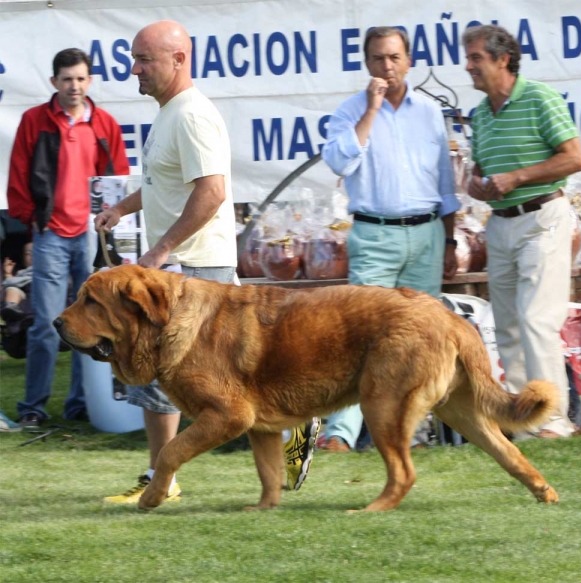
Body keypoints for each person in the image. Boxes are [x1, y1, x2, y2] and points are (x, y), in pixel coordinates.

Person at [96, 21, 318, 504]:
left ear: (178, 60)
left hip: (194, 271)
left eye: (144, 60)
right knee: (237, 378)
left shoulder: (191, 115)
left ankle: (162, 479)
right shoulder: (169, 113)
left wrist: (161, 250)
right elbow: (164, 184)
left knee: (164, 375)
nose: (135, 69)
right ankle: (301, 416)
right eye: (134, 59)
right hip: (185, 268)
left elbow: (212, 192)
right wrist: (121, 209)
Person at [319, 26, 459, 452]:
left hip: (426, 233)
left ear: (409, 61)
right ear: (366, 64)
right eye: (378, 58)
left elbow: (445, 180)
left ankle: (410, 431)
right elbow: (339, 162)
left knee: (420, 340)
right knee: (360, 335)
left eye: (395, 57)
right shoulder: (351, 111)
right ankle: (340, 434)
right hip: (375, 234)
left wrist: (450, 242)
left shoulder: (429, 112)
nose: (387, 67)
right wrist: (371, 110)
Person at [462, 25, 581, 439]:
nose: (469, 66)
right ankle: (521, 419)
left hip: (542, 218)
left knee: (536, 320)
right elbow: (481, 170)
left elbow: (574, 158)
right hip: (500, 224)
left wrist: (518, 177)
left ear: (503, 60)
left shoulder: (540, 98)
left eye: (476, 58)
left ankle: (552, 419)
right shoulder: (480, 113)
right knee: (509, 324)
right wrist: (476, 184)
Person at [6, 48, 129, 428]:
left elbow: (119, 178)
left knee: (89, 326)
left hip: (92, 239)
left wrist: (111, 225)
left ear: (89, 81)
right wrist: (33, 221)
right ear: (54, 82)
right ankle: (33, 408)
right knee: (45, 325)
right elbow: (18, 177)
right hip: (51, 237)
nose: (74, 86)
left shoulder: (105, 123)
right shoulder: (34, 121)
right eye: (67, 79)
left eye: (80, 78)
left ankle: (80, 404)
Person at [1, 242, 33, 323]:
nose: (32, 256)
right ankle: (11, 307)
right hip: (23, 298)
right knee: (12, 288)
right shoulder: (21, 273)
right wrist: (8, 273)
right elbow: (12, 283)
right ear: (23, 259)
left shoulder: (47, 270)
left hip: (38, 290)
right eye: (28, 254)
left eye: (35, 252)